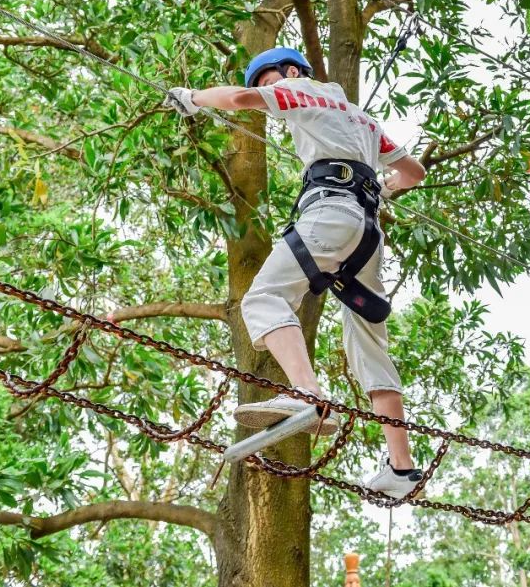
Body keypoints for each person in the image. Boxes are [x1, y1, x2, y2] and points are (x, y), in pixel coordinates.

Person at [164, 47, 428, 498]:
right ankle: (402, 468)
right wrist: (384, 186)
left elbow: (241, 100)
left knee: (263, 298)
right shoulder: (362, 119)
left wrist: (193, 97)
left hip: (330, 214)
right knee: (367, 340)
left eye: (271, 80)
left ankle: (307, 393)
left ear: (290, 71)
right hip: (366, 231)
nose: (271, 92)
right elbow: (414, 172)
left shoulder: (300, 89)